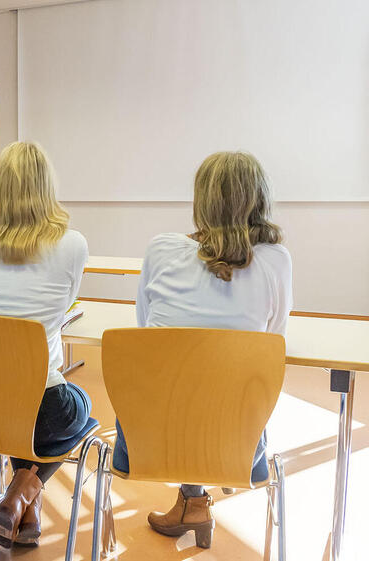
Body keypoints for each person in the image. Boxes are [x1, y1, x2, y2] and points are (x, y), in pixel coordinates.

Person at [114, 151, 292, 548]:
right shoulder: (275, 261)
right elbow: (272, 343)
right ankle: (194, 502)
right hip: (236, 444)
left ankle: (192, 502)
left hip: (147, 439)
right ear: (260, 200)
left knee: (181, 386)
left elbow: (146, 333)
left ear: (201, 200)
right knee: (220, 393)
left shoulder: (161, 249)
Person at [0, 142, 91, 549]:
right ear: (47, 189)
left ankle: (22, 505)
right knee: (77, 406)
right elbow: (65, 305)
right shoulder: (72, 244)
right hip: (43, 407)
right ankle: (22, 494)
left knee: (20, 418)